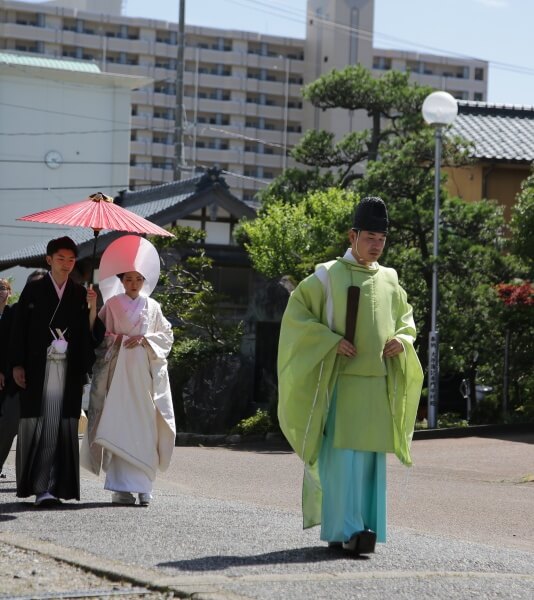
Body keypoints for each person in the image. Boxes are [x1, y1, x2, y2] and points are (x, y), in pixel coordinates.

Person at [277, 196, 423, 556]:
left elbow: (407, 319)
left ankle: (366, 529)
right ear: (352, 235)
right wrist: (329, 341)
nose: (376, 244)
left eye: (382, 239)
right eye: (370, 236)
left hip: (376, 385)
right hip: (340, 383)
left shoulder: (390, 278)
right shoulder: (326, 276)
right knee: (342, 459)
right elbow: (297, 315)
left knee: (371, 461)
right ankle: (343, 529)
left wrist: (402, 341)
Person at [81, 237, 175, 507]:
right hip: (118, 374)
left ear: (144, 281)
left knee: (146, 426)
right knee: (118, 423)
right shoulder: (111, 305)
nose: (133, 283)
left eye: (138, 279)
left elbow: (166, 336)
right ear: (121, 280)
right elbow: (99, 337)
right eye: (128, 279)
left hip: (143, 375)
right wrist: (93, 308)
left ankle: (144, 486)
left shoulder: (153, 307)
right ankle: (120, 488)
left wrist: (145, 340)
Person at [10, 237, 99, 506]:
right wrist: (17, 364)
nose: (66, 264)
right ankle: (40, 487)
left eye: (71, 260)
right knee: (41, 424)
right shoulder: (34, 290)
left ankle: (56, 485)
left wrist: (93, 307)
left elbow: (89, 333)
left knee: (62, 426)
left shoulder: (79, 293)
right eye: (60, 258)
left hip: (67, 368)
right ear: (48, 260)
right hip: (39, 367)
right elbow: (19, 330)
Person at [0, 271, 47, 479]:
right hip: (13, 380)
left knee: (36, 430)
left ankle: (29, 476)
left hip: (43, 380)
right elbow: (2, 344)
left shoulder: (54, 313)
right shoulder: (13, 312)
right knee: (8, 425)